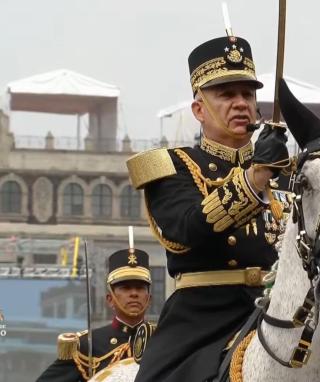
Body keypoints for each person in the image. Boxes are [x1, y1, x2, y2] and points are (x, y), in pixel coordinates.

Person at [127, 34, 290, 382]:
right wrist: (255, 176)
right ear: (199, 109)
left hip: (281, 311)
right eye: (227, 95)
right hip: (203, 316)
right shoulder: (171, 166)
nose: (241, 103)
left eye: (247, 94)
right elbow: (187, 227)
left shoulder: (288, 174)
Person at [36, 248, 154, 381]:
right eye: (125, 288)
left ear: (149, 299)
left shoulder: (163, 340)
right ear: (110, 299)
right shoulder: (87, 345)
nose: (134, 293)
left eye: (140, 288)